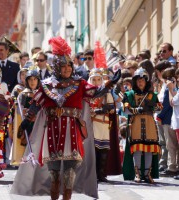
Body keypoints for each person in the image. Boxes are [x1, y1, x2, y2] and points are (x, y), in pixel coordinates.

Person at [12, 36, 120, 200]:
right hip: (52, 132)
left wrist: (110, 84)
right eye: (64, 66)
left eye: (69, 65)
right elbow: (36, 104)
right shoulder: (47, 84)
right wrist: (27, 121)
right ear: (56, 67)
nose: (67, 69)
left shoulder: (80, 83)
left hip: (73, 132)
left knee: (70, 172)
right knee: (54, 173)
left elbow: (95, 92)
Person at [122, 68, 160, 183]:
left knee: (149, 148)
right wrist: (136, 110)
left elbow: (159, 108)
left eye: (142, 80)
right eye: (138, 80)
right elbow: (125, 109)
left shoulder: (152, 95)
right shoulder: (129, 94)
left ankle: (147, 174)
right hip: (136, 123)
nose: (140, 82)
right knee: (137, 148)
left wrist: (154, 107)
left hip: (149, 123)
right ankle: (138, 174)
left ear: (146, 81)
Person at [88, 68, 121, 182]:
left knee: (103, 149)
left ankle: (101, 174)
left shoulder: (107, 93)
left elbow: (111, 108)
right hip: (90, 124)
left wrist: (96, 111)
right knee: (92, 150)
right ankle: (91, 174)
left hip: (103, 123)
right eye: (94, 80)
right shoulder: (86, 93)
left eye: (98, 79)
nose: (96, 82)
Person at [11, 69, 40, 165]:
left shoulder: (41, 94)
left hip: (38, 124)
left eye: (35, 79)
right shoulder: (23, 94)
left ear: (38, 81)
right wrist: (24, 111)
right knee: (26, 146)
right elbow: (19, 110)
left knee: (37, 146)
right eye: (30, 79)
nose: (32, 82)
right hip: (27, 123)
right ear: (27, 81)